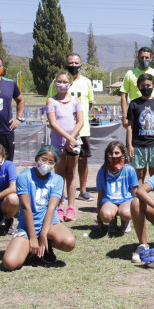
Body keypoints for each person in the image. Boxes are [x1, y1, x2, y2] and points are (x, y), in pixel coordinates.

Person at [2, 146, 76, 271]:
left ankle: (47, 246)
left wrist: (43, 234)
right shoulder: (24, 176)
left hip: (49, 225)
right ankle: (30, 249)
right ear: (37, 158)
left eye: (51, 161)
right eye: (44, 159)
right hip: (27, 228)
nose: (46, 164)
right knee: (9, 263)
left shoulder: (57, 180)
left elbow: (51, 208)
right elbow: (26, 208)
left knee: (69, 242)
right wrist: (32, 237)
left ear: (55, 164)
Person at [44, 71, 84, 222]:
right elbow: (53, 123)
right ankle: (59, 206)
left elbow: (80, 122)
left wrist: (72, 139)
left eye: (64, 82)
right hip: (57, 143)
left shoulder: (76, 101)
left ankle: (71, 207)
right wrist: (67, 138)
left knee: (71, 173)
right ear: (55, 82)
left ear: (70, 84)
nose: (61, 85)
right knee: (59, 175)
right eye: (58, 81)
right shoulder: (51, 101)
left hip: (73, 143)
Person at [63, 53, 96, 202]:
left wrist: (79, 119)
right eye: (71, 63)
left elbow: (89, 103)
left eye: (76, 63)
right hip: (64, 130)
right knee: (63, 161)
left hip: (82, 129)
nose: (74, 65)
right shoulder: (58, 81)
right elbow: (51, 102)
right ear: (66, 64)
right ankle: (62, 193)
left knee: (83, 160)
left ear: (81, 65)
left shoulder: (86, 82)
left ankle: (82, 191)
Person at [125, 73, 154, 183]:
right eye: (143, 85)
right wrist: (129, 145)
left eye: (148, 85)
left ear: (153, 86)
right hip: (138, 144)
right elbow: (130, 126)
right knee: (139, 174)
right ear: (138, 87)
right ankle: (140, 199)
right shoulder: (134, 104)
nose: (146, 88)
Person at [95, 141, 139, 234]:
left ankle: (125, 222)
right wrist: (99, 218)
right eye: (111, 153)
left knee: (126, 213)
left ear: (123, 154)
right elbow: (100, 196)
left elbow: (135, 192)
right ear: (107, 155)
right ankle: (112, 222)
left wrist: (138, 210)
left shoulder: (129, 169)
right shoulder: (102, 172)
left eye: (117, 153)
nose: (114, 156)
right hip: (109, 201)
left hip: (126, 200)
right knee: (106, 215)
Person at [120, 46, 154, 128]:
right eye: (142, 57)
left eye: (147, 57)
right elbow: (124, 96)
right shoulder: (130, 73)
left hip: (153, 113)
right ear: (138, 58)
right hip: (135, 112)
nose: (144, 60)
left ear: (151, 59)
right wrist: (124, 116)